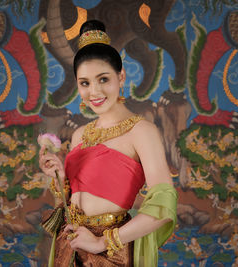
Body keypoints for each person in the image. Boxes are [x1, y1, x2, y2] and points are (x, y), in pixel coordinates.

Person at [39, 19, 178, 267]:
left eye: (103, 79)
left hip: (108, 252)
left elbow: (163, 205)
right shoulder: (80, 134)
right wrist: (59, 176)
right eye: (85, 83)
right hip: (70, 245)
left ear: (121, 76)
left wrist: (101, 242)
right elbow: (72, 202)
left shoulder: (142, 132)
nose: (94, 92)